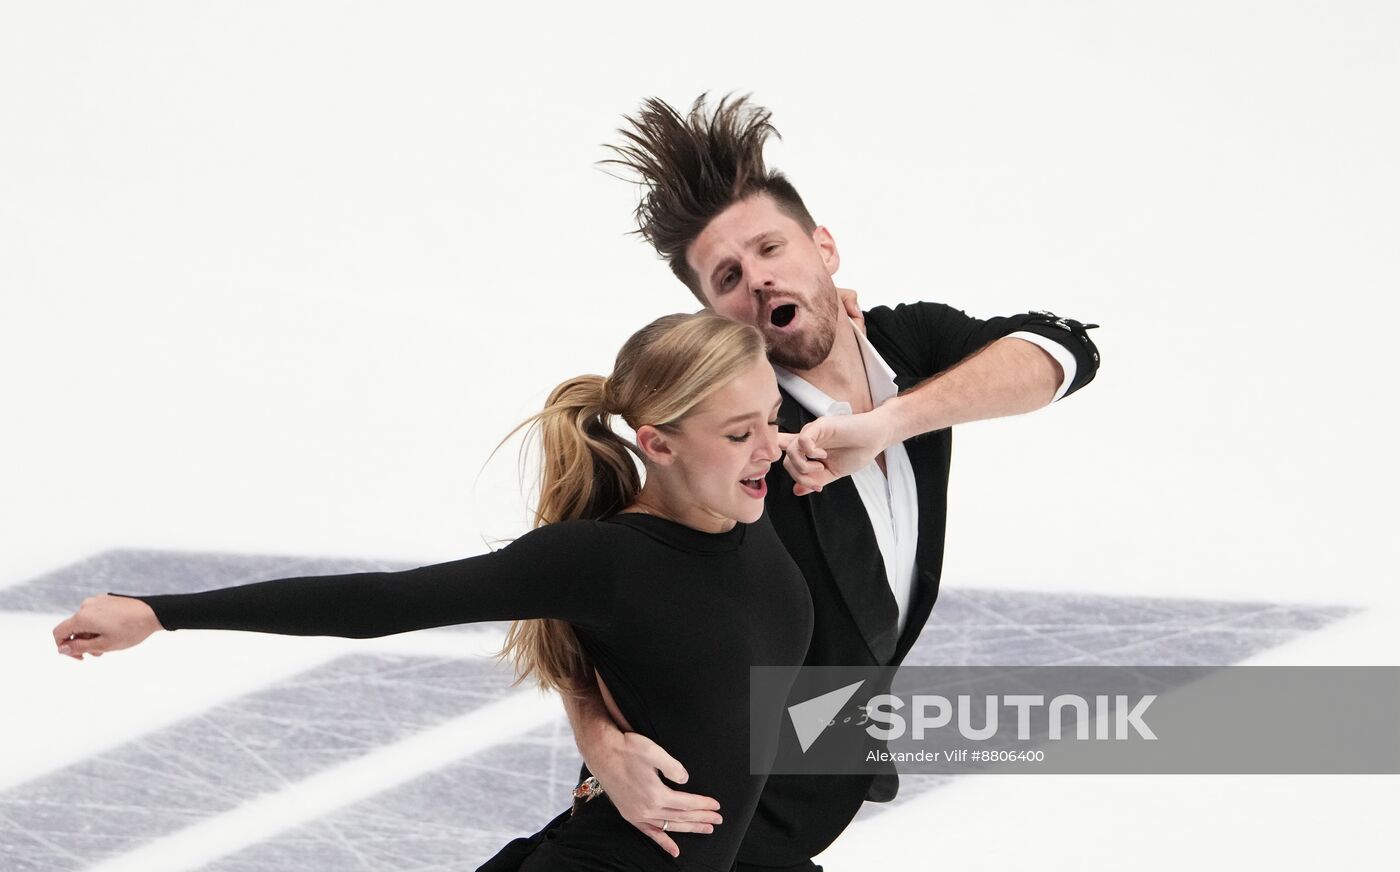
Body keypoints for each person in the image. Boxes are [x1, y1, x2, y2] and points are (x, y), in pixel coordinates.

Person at [52, 311, 816, 872]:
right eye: (741, 431)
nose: (769, 447)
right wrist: (162, 612)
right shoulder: (604, 561)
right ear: (658, 442)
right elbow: (386, 602)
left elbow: (735, 691)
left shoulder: (755, 494)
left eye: (774, 421)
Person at [553, 95, 1103, 871]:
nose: (759, 280)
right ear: (715, 317)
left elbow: (1065, 351)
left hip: (790, 820)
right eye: (728, 277)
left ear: (825, 247)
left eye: (771, 249)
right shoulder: (734, 440)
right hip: (685, 827)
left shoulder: (913, 346)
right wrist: (598, 739)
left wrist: (888, 424)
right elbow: (588, 585)